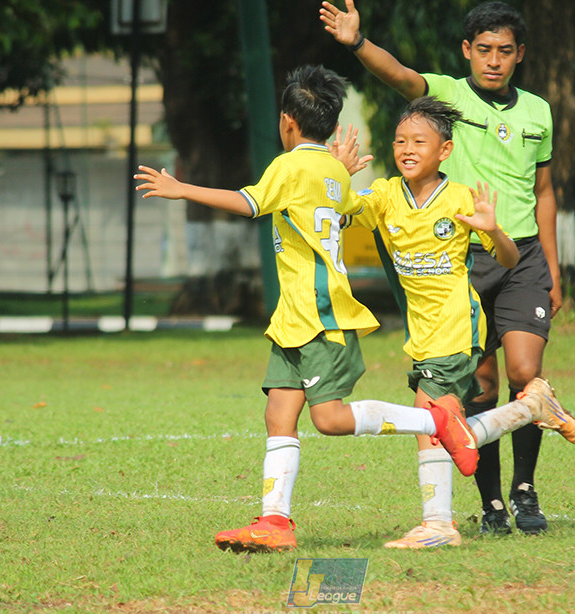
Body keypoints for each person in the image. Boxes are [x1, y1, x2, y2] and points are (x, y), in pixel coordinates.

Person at [134, 65, 479, 553]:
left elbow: (249, 202)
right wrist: (339, 168)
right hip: (294, 317)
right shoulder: (330, 169)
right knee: (279, 413)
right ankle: (275, 521)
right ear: (332, 126)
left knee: (329, 419)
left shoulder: (291, 164)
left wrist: (182, 188)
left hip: (319, 314)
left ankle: (436, 421)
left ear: (287, 122)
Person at [322, 0, 575, 535]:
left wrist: (552, 266)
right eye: (483, 49)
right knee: (479, 386)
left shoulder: (538, 112)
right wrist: (356, 42)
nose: (493, 60)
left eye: (504, 51)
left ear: (519, 55)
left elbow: (545, 191)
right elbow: (400, 75)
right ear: (467, 51)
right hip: (465, 259)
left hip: (521, 254)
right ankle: (491, 507)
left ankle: (525, 489)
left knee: (524, 372)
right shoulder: (447, 96)